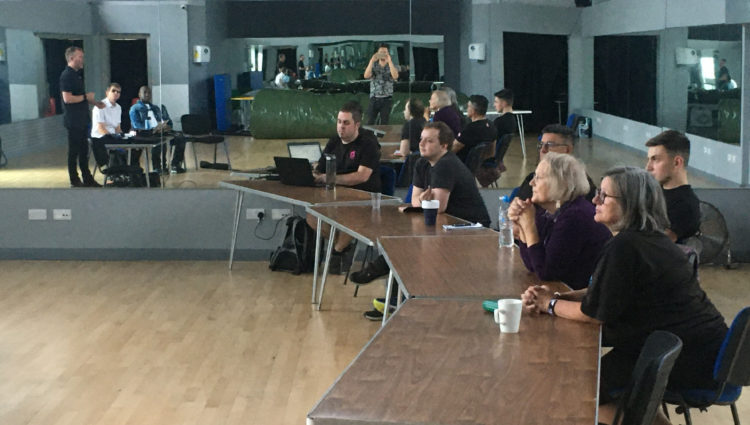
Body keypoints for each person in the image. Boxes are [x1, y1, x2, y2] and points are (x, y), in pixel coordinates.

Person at [522, 166, 727, 425]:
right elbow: (607, 290)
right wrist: (560, 296)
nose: (595, 200)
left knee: (572, 386)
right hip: (700, 351)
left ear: (630, 204)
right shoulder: (650, 239)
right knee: (595, 381)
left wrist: (549, 304)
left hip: (686, 360)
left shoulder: (626, 245)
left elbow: (593, 315)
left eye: (604, 196)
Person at [356, 121, 491, 320]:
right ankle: (395, 298)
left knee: (409, 246)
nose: (421, 144)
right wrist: (424, 201)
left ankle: (390, 289)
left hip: (471, 228)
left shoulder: (446, 164)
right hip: (445, 224)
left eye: (429, 141)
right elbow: (415, 200)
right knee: (404, 243)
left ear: (444, 145)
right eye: (421, 139)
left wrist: (424, 201)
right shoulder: (421, 163)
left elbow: (438, 206)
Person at [508, 153, 611, 290]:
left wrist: (529, 227)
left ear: (560, 183)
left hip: (582, 298)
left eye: (538, 178)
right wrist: (521, 225)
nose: (532, 183)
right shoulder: (549, 213)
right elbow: (532, 264)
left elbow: (546, 272)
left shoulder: (575, 216)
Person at [307, 101, 382, 274]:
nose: (341, 127)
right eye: (339, 122)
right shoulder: (333, 142)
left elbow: (361, 176)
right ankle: (343, 246)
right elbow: (320, 168)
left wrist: (329, 178)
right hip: (335, 194)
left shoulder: (369, 143)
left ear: (357, 124)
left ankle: (337, 251)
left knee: (349, 217)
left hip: (364, 195)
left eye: (346, 123)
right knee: (311, 216)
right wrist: (313, 173)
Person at [59, 46, 104, 187]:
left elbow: (81, 98)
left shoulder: (77, 75)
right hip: (74, 121)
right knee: (74, 151)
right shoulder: (66, 75)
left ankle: (87, 178)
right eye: (80, 57)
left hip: (82, 120)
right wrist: (86, 96)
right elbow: (67, 98)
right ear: (71, 58)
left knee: (84, 151)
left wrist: (95, 102)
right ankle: (74, 179)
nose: (82, 59)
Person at [645, 130, 700, 244]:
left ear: (677, 163)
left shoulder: (686, 205)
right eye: (649, 159)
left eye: (655, 159)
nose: (648, 167)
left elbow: (655, 245)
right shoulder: (654, 193)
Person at [516, 124, 596, 202]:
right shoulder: (532, 179)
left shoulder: (581, 185)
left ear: (567, 150)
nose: (543, 150)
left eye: (550, 145)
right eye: (541, 144)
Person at [129, 85, 187, 174]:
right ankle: (158, 167)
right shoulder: (135, 109)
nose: (147, 94)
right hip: (146, 133)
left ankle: (175, 164)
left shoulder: (156, 108)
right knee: (159, 139)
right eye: (145, 92)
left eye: (149, 92)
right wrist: (152, 129)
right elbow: (136, 126)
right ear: (139, 94)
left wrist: (166, 127)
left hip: (160, 131)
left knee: (180, 136)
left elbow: (168, 122)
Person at [90, 82, 134, 170]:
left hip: (113, 136)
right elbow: (101, 128)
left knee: (132, 143)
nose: (116, 93)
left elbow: (118, 128)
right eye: (113, 91)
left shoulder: (118, 107)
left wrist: (122, 136)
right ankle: (114, 172)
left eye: (118, 92)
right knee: (119, 147)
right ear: (107, 93)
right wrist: (114, 139)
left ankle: (128, 170)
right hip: (100, 137)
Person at [453, 95, 495, 164]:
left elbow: (453, 149)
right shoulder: (492, 126)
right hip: (478, 166)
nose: (467, 109)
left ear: (473, 110)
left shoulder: (470, 129)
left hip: (461, 166)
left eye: (468, 106)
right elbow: (491, 153)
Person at [364, 44, 398, 125]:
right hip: (374, 98)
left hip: (387, 99)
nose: (383, 54)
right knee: (370, 121)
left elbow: (395, 76)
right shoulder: (374, 65)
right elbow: (366, 75)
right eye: (381, 52)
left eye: (385, 52)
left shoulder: (392, 66)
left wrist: (389, 61)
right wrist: (371, 60)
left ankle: (383, 137)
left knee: (384, 122)